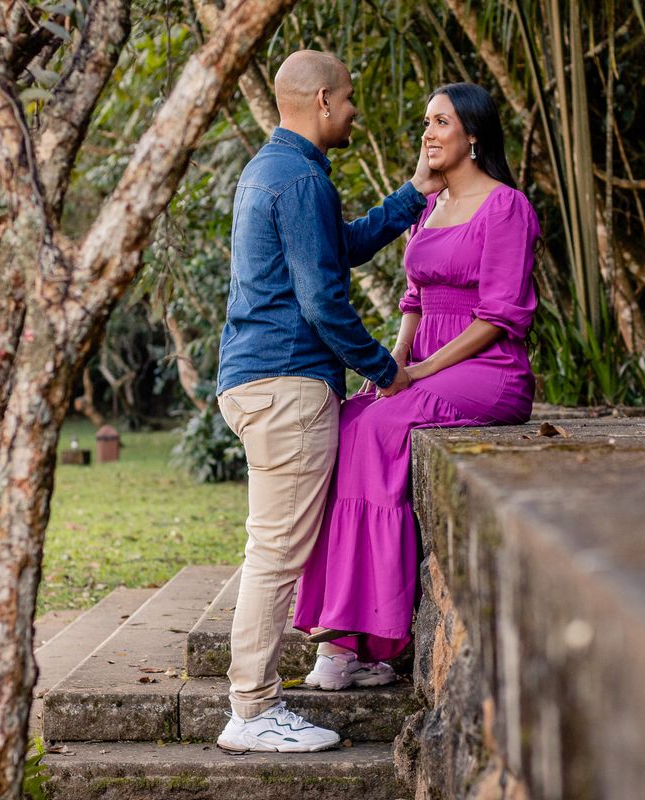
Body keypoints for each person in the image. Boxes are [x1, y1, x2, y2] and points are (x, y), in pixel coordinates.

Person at [214, 50, 443, 753]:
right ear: (318, 101)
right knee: (275, 552)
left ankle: (260, 703)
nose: (354, 111)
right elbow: (321, 301)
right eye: (347, 99)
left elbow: (334, 251)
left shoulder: (275, 170)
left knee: (274, 547)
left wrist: (412, 194)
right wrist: (386, 368)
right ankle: (251, 711)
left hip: (256, 378)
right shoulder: (298, 179)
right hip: (286, 383)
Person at [293, 82, 540, 689]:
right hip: (426, 359)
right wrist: (392, 367)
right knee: (352, 420)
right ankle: (352, 636)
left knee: (377, 431)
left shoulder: (506, 206)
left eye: (440, 122)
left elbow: (499, 316)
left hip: (488, 371)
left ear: (473, 136)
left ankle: (360, 641)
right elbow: (413, 299)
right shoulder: (430, 207)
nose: (428, 133)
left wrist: (425, 372)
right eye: (426, 121)